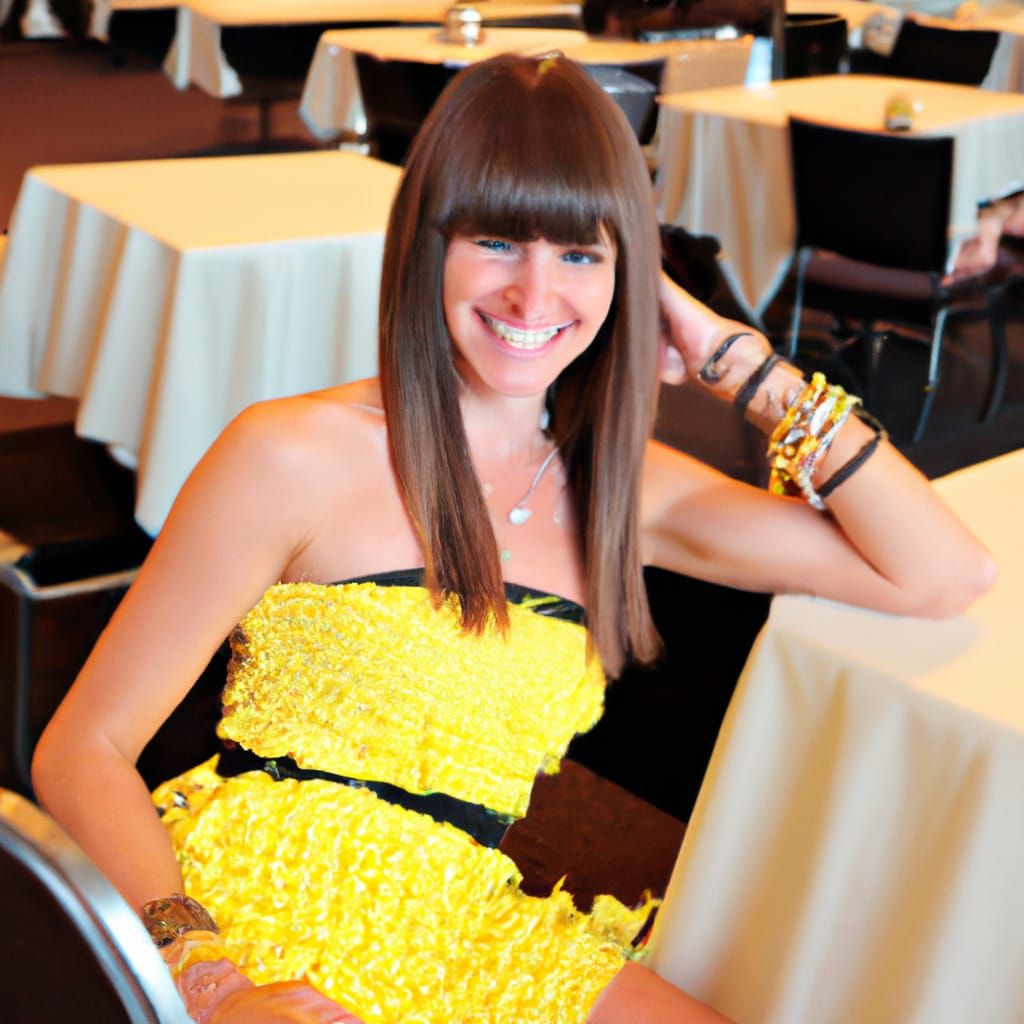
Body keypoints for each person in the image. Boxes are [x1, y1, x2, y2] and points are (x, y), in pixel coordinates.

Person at [32, 53, 995, 1024]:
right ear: (428, 244)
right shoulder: (291, 453)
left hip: (468, 925)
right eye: (496, 241)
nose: (535, 298)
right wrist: (205, 981)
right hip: (256, 908)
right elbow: (84, 746)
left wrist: (739, 364)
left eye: (580, 255)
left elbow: (941, 573)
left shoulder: (624, 490)